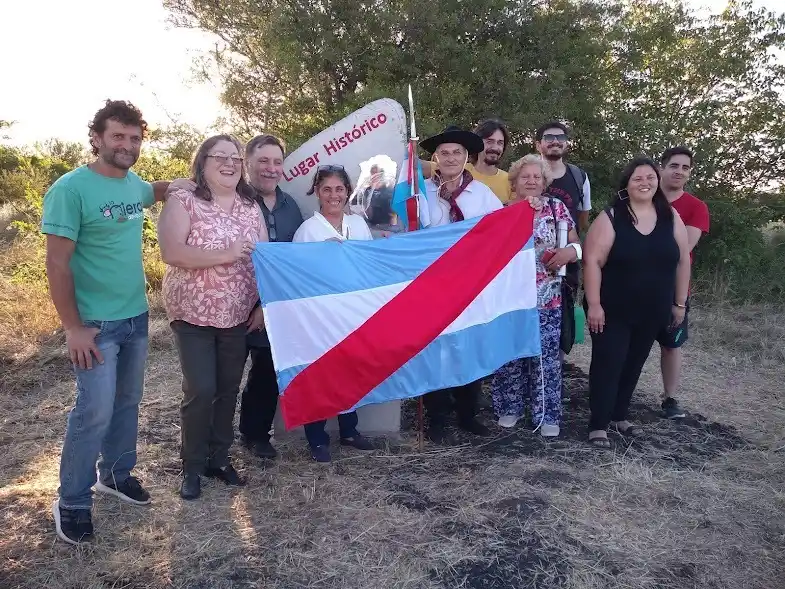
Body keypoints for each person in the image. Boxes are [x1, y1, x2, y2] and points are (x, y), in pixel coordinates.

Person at [43, 99, 170, 545]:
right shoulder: (71, 189)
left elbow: (153, 191)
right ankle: (73, 501)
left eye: (134, 138)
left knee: (127, 401)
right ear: (96, 138)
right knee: (93, 410)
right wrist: (73, 328)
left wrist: (189, 184)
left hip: (136, 318)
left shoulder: (133, 185)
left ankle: (115, 475)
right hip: (94, 324)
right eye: (117, 136)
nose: (127, 145)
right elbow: (57, 264)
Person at [158, 134, 268, 500]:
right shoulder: (183, 200)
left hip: (238, 314)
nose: (230, 163)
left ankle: (218, 459)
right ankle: (191, 466)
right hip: (192, 314)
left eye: (236, 158)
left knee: (227, 389)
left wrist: (260, 305)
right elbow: (173, 253)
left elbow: (264, 260)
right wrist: (227, 253)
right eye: (220, 156)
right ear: (202, 162)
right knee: (201, 389)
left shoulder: (250, 207)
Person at [583, 156, 690, 448]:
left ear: (658, 182)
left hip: (654, 309)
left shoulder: (671, 217)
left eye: (650, 178)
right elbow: (591, 261)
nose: (645, 182)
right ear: (627, 185)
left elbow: (682, 261)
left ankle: (620, 415)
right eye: (637, 178)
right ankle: (599, 424)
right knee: (609, 363)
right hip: (611, 310)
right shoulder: (612, 217)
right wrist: (594, 304)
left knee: (634, 362)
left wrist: (679, 303)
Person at [418, 125, 503, 443]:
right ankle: (437, 417)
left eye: (457, 152)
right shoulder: (421, 192)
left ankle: (468, 413)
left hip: (470, 286)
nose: (450, 158)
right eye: (444, 153)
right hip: (432, 285)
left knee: (469, 347)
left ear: (467, 157)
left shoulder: (481, 194)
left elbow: (500, 232)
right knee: (436, 350)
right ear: (435, 158)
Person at [490, 155, 580, 437]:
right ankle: (510, 408)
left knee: (546, 358)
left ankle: (547, 413)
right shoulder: (501, 211)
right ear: (514, 182)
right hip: (509, 299)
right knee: (510, 356)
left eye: (537, 176)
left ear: (545, 182)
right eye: (525, 176)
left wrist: (569, 252)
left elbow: (576, 243)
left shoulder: (557, 208)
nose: (531, 180)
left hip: (547, 297)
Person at [292, 165, 376, 461]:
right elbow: (296, 276)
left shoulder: (359, 225)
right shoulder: (308, 230)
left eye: (339, 189)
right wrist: (320, 256)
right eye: (326, 189)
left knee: (351, 371)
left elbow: (370, 265)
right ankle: (316, 437)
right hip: (319, 315)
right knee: (319, 373)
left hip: (353, 312)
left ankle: (349, 430)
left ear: (347, 191)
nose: (333, 195)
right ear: (317, 192)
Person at [240, 134, 304, 459]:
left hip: (273, 308)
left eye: (277, 161)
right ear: (247, 162)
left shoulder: (291, 206)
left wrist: (267, 306)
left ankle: (256, 435)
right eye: (263, 161)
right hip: (234, 305)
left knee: (266, 372)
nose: (270, 168)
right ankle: (210, 448)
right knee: (223, 381)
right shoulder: (232, 201)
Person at [656, 146, 709, 419]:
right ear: (661, 167)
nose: (679, 171)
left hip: (674, 288)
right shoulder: (640, 196)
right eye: (674, 165)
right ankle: (620, 394)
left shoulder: (695, 207)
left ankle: (670, 398)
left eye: (685, 168)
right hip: (635, 285)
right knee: (629, 344)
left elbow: (684, 247)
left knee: (671, 344)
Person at [421, 118, 513, 204]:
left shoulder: (511, 181)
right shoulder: (455, 169)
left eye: (500, 143)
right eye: (489, 141)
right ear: (478, 143)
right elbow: (414, 165)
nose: (495, 148)